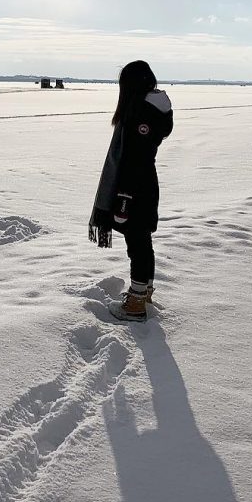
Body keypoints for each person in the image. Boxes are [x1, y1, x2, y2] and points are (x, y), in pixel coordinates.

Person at [89, 60, 173, 321]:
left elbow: (132, 159)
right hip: (146, 182)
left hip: (133, 187)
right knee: (142, 239)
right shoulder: (153, 109)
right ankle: (144, 291)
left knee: (136, 241)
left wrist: (123, 195)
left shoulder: (140, 112)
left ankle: (135, 304)